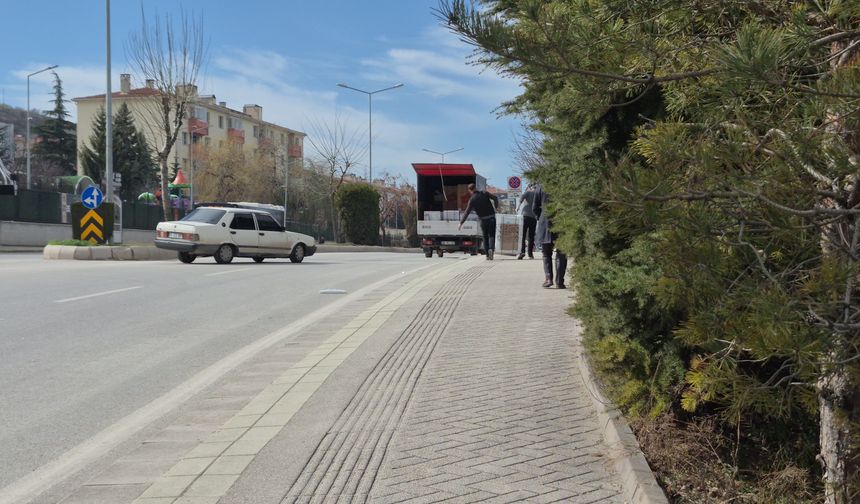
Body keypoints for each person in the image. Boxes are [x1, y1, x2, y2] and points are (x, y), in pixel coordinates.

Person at [532, 183, 567, 288]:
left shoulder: (541, 186)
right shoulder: (563, 183)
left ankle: (548, 279)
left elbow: (535, 207)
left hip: (545, 222)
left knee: (546, 253)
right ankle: (560, 281)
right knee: (562, 252)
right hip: (562, 221)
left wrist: (541, 217)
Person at [458, 183, 499, 260]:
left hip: (483, 220)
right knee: (492, 236)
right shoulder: (484, 193)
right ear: (476, 188)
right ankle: (491, 250)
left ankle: (487, 254)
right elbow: (495, 198)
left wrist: (461, 223)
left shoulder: (472, 199)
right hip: (491, 218)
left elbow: (467, 212)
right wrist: (496, 208)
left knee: (485, 237)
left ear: (470, 190)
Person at [516, 183, 537, 260]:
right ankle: (530, 254)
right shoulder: (537, 195)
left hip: (525, 216)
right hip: (534, 217)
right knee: (531, 236)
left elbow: (521, 198)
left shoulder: (528, 192)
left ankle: (522, 252)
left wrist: (518, 207)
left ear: (530, 187)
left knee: (523, 235)